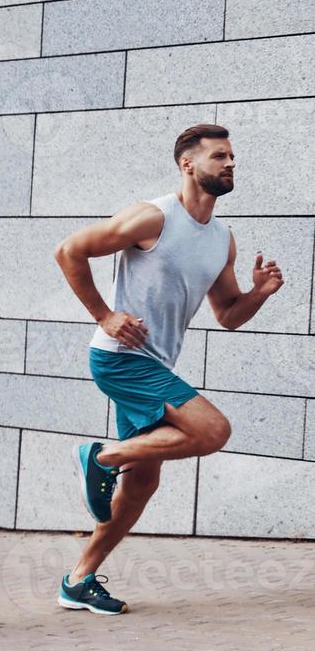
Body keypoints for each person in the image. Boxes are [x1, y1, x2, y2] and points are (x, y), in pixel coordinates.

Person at [53, 123, 282, 615]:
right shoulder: (153, 216)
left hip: (154, 362)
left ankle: (78, 580)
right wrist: (105, 315)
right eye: (219, 156)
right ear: (188, 164)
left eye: (232, 157)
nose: (229, 164)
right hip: (121, 359)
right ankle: (101, 458)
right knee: (213, 429)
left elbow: (229, 316)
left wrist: (259, 294)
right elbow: (69, 250)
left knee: (143, 484)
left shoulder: (222, 239)